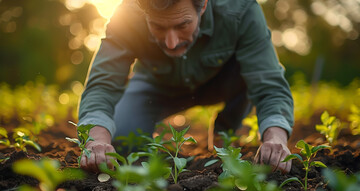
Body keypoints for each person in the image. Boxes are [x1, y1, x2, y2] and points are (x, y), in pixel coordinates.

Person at [78, 0, 294, 173]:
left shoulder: (240, 9)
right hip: (157, 87)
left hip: (222, 82)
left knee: (252, 74)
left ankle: (225, 130)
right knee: (123, 141)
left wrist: (276, 138)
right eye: (158, 27)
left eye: (182, 25)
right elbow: (102, 83)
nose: (171, 42)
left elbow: (269, 84)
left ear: (204, 6)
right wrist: (96, 140)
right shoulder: (127, 16)